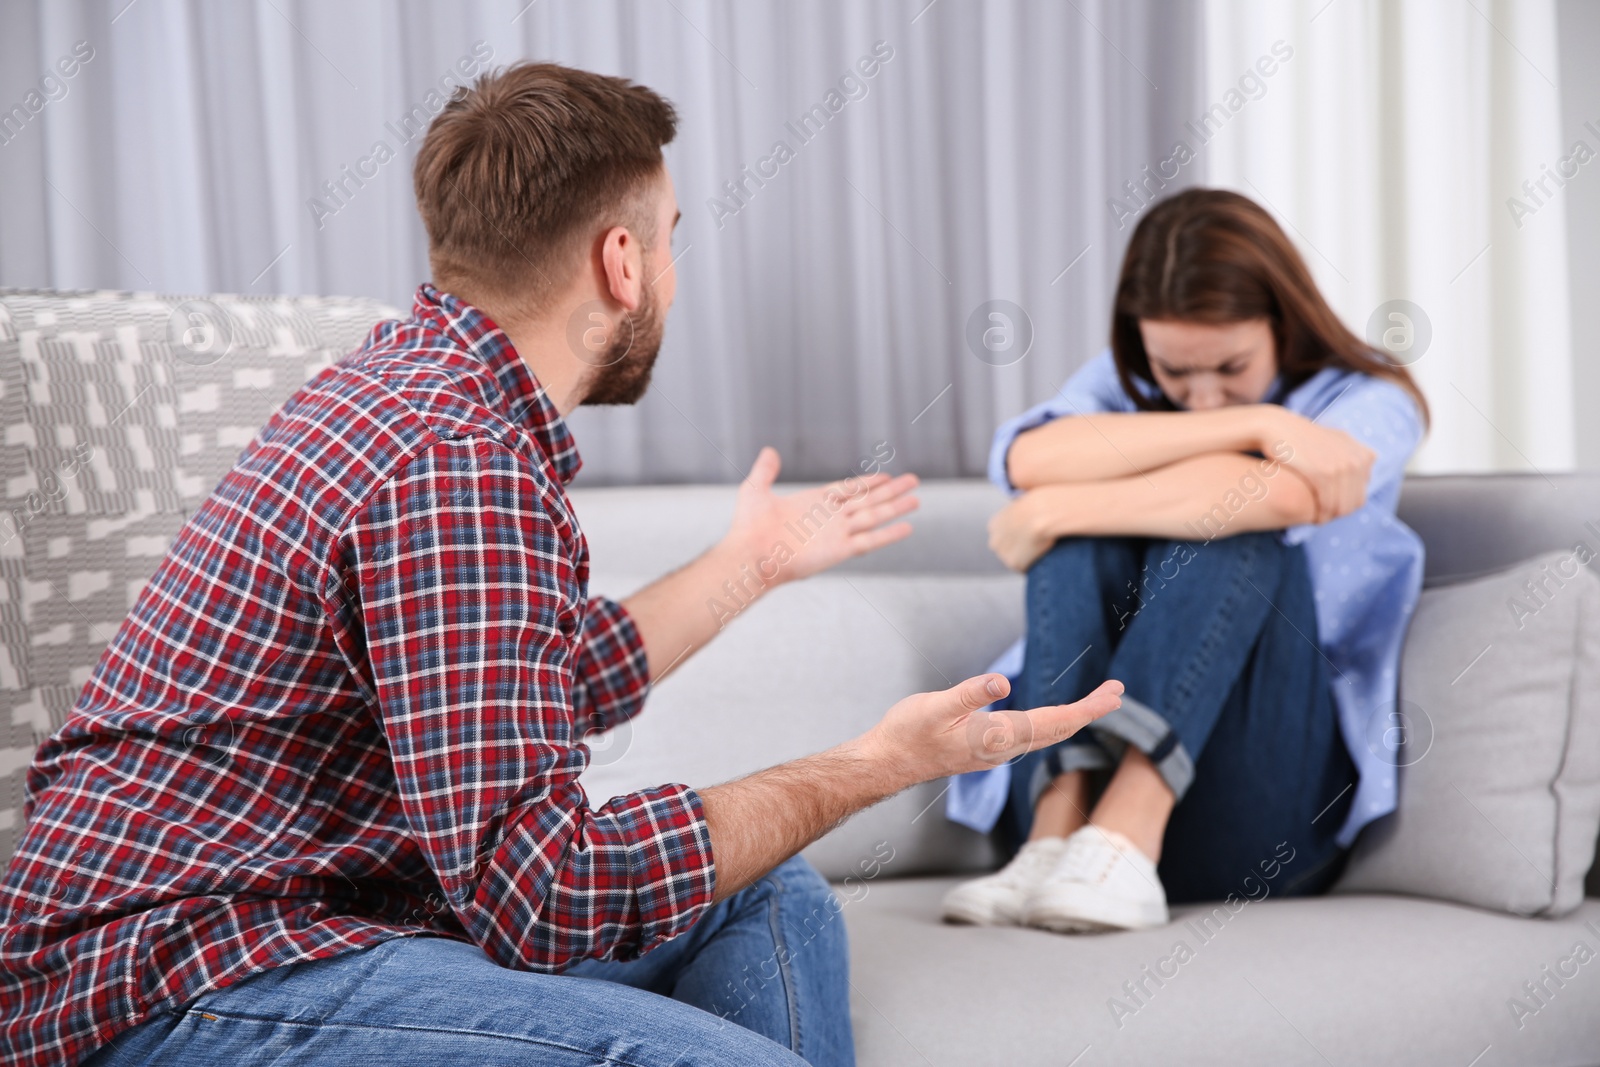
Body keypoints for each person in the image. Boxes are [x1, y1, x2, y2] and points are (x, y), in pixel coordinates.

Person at [0, 63, 1123, 1067]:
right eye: (673, 237)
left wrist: (756, 560)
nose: (674, 278)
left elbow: (551, 674)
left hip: (301, 914)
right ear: (620, 260)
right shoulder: (455, 460)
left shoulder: (421, 394)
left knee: (763, 891)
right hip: (176, 969)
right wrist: (876, 764)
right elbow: (543, 896)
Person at [941, 188, 1428, 934]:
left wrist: (1056, 508)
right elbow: (1030, 455)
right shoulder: (1133, 376)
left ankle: (1131, 828)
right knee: (1101, 518)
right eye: (1175, 374)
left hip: (1258, 802)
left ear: (1283, 321)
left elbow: (1283, 498)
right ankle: (1057, 834)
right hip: (1053, 795)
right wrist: (1259, 420)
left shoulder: (1370, 396)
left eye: (1233, 367)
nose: (1202, 398)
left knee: (1236, 519)